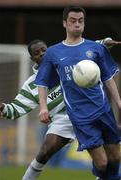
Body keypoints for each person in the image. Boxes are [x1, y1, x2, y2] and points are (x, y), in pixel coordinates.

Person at [0, 38, 120, 180]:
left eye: (44, 50)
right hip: (63, 119)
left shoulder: (65, 61)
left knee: (106, 160)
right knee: (45, 151)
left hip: (86, 112)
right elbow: (17, 108)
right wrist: (4, 108)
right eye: (37, 53)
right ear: (33, 58)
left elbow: (87, 48)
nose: (42, 54)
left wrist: (104, 42)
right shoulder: (32, 85)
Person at [35, 5, 121, 180]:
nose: (77, 25)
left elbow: (107, 78)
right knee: (102, 163)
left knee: (116, 157)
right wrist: (43, 108)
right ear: (65, 23)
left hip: (103, 110)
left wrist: (119, 103)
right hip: (80, 116)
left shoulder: (96, 49)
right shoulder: (53, 52)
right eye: (73, 21)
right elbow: (42, 81)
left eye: (80, 21)